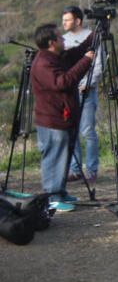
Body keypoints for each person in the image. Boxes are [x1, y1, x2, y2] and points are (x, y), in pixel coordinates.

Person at [29, 23, 95, 212]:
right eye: (60, 37)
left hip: (62, 118)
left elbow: (76, 53)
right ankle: (52, 197)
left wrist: (95, 36)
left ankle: (59, 191)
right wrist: (86, 61)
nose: (64, 39)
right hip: (52, 121)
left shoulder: (55, 57)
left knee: (63, 156)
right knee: (53, 157)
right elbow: (63, 82)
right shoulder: (43, 63)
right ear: (51, 42)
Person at [62, 6, 102, 186]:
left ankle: (92, 170)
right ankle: (75, 170)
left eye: (68, 19)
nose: (64, 23)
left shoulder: (92, 37)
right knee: (72, 131)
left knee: (87, 131)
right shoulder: (61, 40)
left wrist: (88, 84)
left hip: (86, 90)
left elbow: (99, 63)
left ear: (78, 21)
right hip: (68, 91)